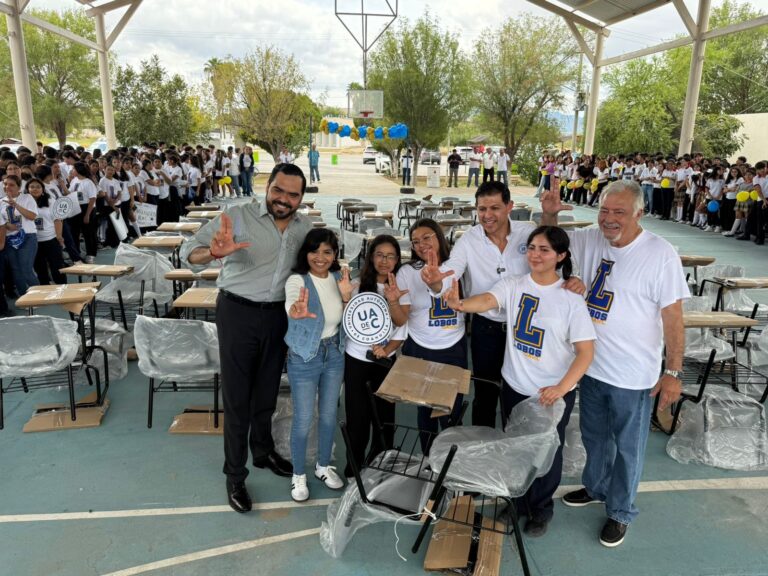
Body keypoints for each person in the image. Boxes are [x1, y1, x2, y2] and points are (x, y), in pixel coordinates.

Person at [541, 180, 687, 547]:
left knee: (627, 448)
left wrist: (672, 372)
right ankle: (597, 487)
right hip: (591, 367)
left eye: (619, 212)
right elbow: (551, 244)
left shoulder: (660, 253)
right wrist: (549, 214)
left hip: (632, 375)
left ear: (639, 213)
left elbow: (673, 317)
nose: (609, 219)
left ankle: (621, 511)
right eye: (604, 210)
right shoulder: (592, 239)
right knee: (595, 438)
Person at [442, 225, 595, 537]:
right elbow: (487, 300)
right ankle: (517, 503)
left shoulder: (571, 299)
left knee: (547, 453)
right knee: (516, 448)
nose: (535, 255)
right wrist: (460, 304)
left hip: (551, 393)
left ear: (561, 256)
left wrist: (561, 388)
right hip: (515, 386)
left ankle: (541, 509)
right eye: (532, 248)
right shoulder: (513, 284)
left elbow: (585, 352)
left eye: (544, 250)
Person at [181, 163, 313, 514]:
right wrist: (213, 253)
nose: (283, 199)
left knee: (266, 392)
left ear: (301, 198)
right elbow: (189, 252)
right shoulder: (237, 216)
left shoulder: (305, 228)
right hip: (238, 312)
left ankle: (263, 452)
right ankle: (235, 474)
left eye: (292, 194)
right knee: (238, 399)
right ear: (267, 186)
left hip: (277, 316)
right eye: (278, 190)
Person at [284, 229, 353, 501]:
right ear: (306, 253)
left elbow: (350, 317)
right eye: (314, 251)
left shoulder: (339, 279)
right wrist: (295, 310)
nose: (320, 257)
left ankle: (323, 466)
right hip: (304, 356)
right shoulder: (297, 280)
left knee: (327, 415)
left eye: (327, 252)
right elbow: (292, 303)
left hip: (334, 353)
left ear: (335, 255)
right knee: (303, 419)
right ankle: (298, 474)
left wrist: (347, 297)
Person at [387, 218, 465, 451]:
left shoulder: (458, 265)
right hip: (420, 346)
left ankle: (450, 463)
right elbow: (401, 319)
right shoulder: (407, 271)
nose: (421, 244)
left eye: (426, 237)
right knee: (425, 409)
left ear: (439, 236)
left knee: (451, 412)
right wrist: (393, 302)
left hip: (453, 347)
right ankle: (428, 458)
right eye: (415, 241)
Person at [345, 235, 408, 478]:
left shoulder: (399, 288)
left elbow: (401, 326)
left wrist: (387, 349)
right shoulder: (357, 284)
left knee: (384, 418)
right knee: (357, 417)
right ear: (371, 257)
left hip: (385, 361)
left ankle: (381, 464)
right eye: (380, 255)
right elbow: (347, 321)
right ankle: (354, 465)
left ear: (397, 259)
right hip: (356, 360)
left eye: (390, 256)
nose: (384, 260)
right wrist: (345, 297)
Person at [0, 175, 39, 294]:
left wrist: (15, 204)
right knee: (16, 270)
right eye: (5, 184)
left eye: (11, 185)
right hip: (10, 239)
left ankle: (39, 296)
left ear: (19, 187)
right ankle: (24, 296)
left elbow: (32, 216)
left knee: (26, 269)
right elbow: (1, 222)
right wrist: (7, 225)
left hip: (27, 237)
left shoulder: (27, 198)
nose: (7, 187)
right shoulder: (1, 201)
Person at [28, 178, 67, 285]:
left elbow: (57, 220)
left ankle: (63, 287)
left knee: (57, 267)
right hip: (33, 241)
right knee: (40, 269)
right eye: (32, 187)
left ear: (43, 190)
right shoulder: (25, 203)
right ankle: (45, 288)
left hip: (51, 239)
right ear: (27, 189)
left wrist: (59, 236)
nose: (35, 189)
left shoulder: (50, 201)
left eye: (38, 187)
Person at [68, 162, 98, 264]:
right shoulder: (74, 180)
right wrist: (63, 185)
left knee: (88, 233)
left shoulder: (88, 182)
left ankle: (91, 254)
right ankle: (77, 255)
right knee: (74, 232)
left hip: (87, 207)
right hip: (76, 207)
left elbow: (92, 199)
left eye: (73, 169)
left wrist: (87, 215)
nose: (72, 171)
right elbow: (69, 193)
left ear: (78, 170)